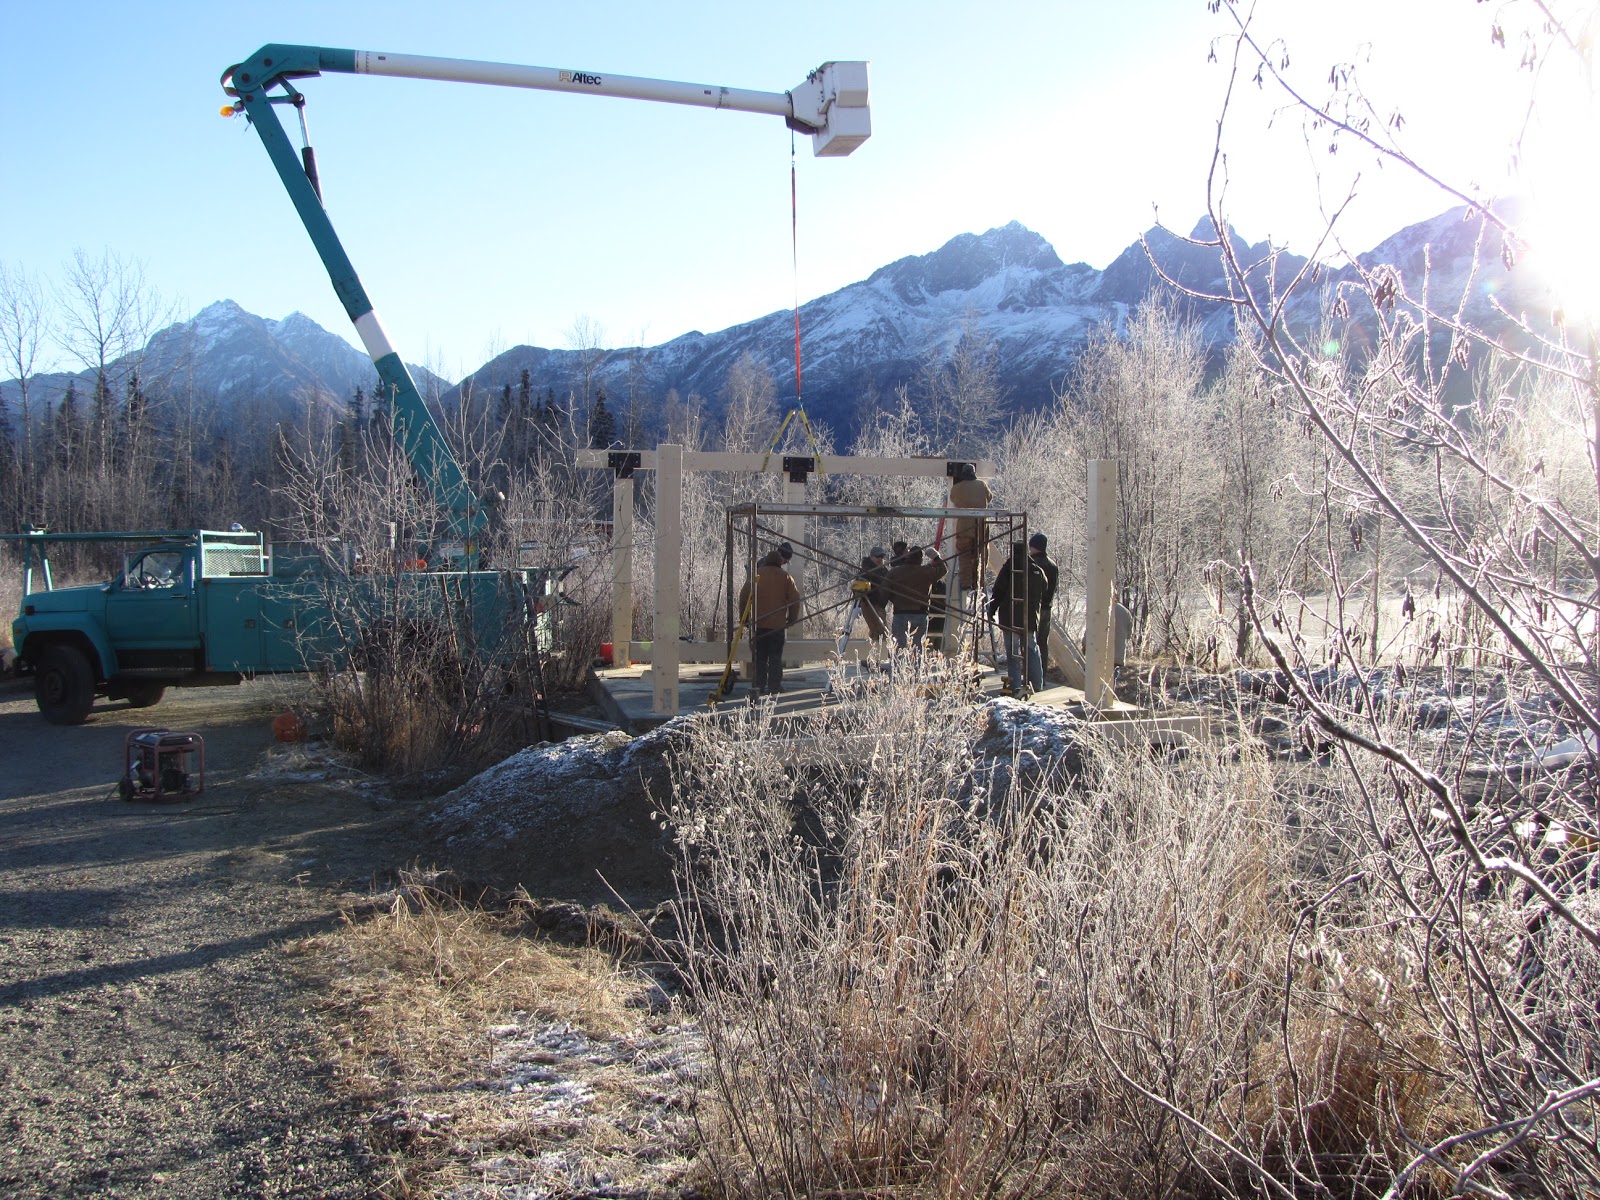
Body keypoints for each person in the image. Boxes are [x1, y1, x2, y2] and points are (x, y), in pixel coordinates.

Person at [738, 549, 802, 696]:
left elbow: (743, 597)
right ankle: (774, 686)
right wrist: (792, 619)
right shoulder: (786, 577)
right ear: (780, 562)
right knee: (775, 657)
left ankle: (759, 685)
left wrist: (745, 619)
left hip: (759, 625)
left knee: (760, 657)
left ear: (767, 560)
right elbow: (795, 600)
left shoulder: (756, 575)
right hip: (777, 627)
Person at [988, 541, 1047, 695]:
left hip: (1010, 618)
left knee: (1013, 653)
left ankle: (1014, 684)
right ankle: (1037, 683)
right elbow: (1045, 587)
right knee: (1032, 650)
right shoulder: (1036, 570)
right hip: (1030, 619)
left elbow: (998, 592)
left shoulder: (1009, 569)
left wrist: (991, 610)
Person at [886, 545, 946, 652]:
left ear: (907, 557)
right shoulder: (926, 571)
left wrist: (895, 600)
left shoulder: (894, 572)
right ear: (921, 559)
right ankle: (916, 668)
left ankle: (899, 668)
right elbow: (943, 569)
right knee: (917, 649)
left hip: (900, 613)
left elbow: (885, 590)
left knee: (899, 647)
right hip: (920, 613)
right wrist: (935, 557)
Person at [949, 463, 993, 592]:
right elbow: (989, 498)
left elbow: (953, 500)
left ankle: (966, 584)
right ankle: (978, 583)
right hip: (981, 526)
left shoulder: (956, 488)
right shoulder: (982, 485)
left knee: (964, 555)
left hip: (964, 527)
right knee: (980, 554)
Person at [1028, 531, 1060, 674]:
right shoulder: (1053, 565)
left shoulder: (1033, 563)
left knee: (1031, 642)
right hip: (1047, 607)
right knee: (1043, 642)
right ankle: (1043, 674)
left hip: (1034, 607)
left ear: (1035, 547)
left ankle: (1033, 675)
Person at [854, 546, 890, 649]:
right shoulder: (866, 570)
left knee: (878, 631)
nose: (880, 559)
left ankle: (873, 656)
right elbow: (856, 589)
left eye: (882, 556)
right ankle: (876, 656)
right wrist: (870, 588)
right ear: (871, 557)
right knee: (879, 631)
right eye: (877, 556)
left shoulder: (883, 570)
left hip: (880, 605)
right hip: (869, 604)